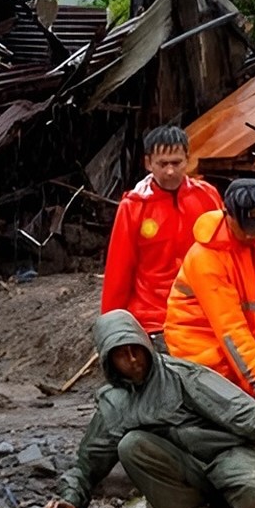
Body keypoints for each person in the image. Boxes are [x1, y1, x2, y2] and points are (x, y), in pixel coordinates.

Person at [41, 310, 255, 508]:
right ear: (108, 362)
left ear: (145, 346)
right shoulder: (114, 405)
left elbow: (246, 413)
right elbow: (88, 464)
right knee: (131, 444)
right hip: (187, 475)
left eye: (135, 349)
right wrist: (70, 499)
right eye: (121, 355)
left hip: (228, 455)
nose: (133, 360)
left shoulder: (182, 375)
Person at [164, 179, 255, 403]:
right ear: (227, 214)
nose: (252, 236)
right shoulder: (205, 257)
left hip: (242, 348)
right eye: (245, 228)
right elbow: (230, 329)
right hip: (201, 354)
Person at [101, 125, 223, 352]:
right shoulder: (134, 207)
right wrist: (111, 330)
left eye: (176, 163)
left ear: (187, 159)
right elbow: (119, 272)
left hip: (205, 315)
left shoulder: (208, 197)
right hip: (153, 320)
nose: (170, 171)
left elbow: (227, 255)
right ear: (148, 163)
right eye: (162, 164)